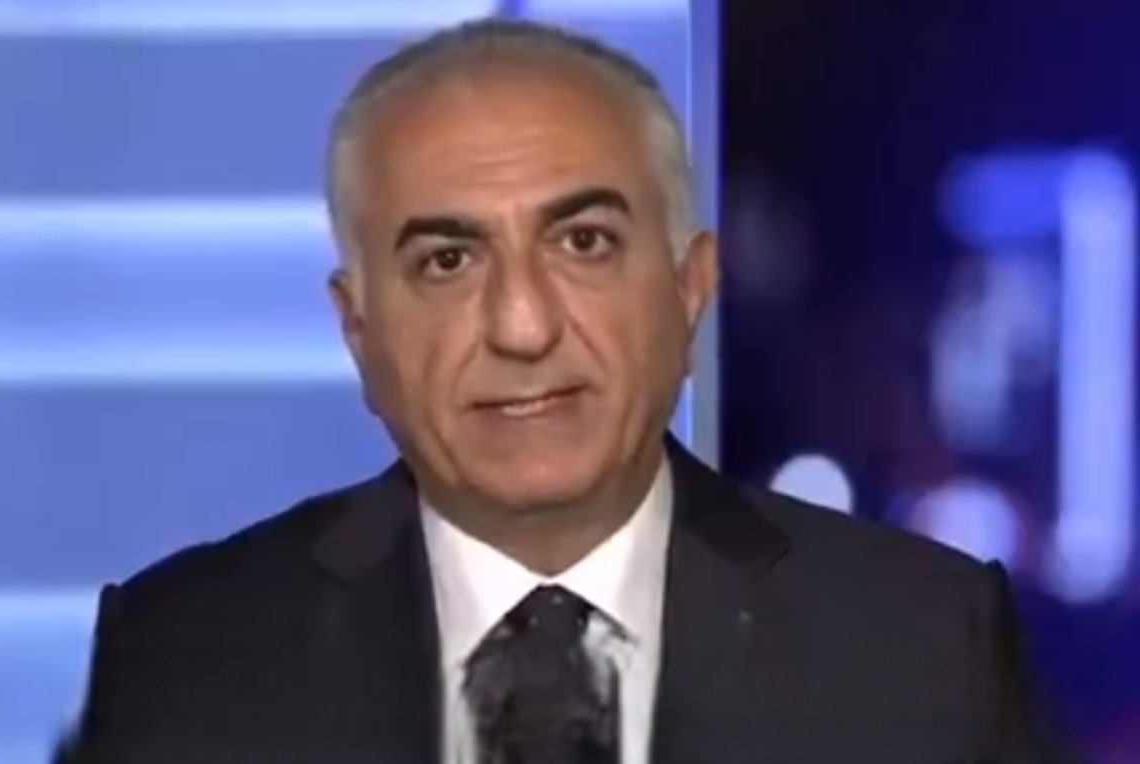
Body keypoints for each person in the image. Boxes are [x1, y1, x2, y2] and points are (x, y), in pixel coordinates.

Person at [59, 17, 1074, 764]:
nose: (523, 325)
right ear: (358, 332)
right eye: (448, 261)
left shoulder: (923, 640)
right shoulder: (185, 651)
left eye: (584, 242)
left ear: (690, 288)